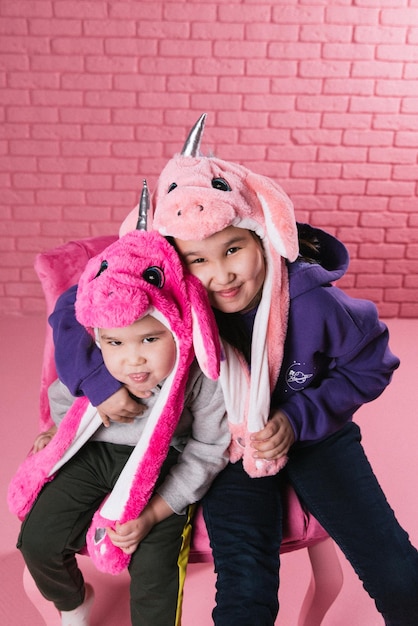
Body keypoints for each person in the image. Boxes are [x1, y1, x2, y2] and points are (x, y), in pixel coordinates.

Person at [46, 115, 418, 626]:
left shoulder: (314, 303)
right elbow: (72, 308)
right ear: (175, 263)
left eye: (233, 250)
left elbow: (372, 364)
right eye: (198, 260)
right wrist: (98, 382)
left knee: (394, 568)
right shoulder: (169, 292)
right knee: (245, 585)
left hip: (317, 438)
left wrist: (298, 419)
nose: (220, 274)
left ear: (261, 233)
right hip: (227, 445)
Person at [8, 226, 229, 626]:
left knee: (154, 570)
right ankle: (74, 601)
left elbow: (209, 449)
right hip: (96, 451)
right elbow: (64, 396)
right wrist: (60, 433)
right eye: (116, 344)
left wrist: (156, 513)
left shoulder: (199, 376)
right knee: (39, 540)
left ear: (178, 329)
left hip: (163, 466)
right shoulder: (100, 371)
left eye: (149, 340)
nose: (133, 361)